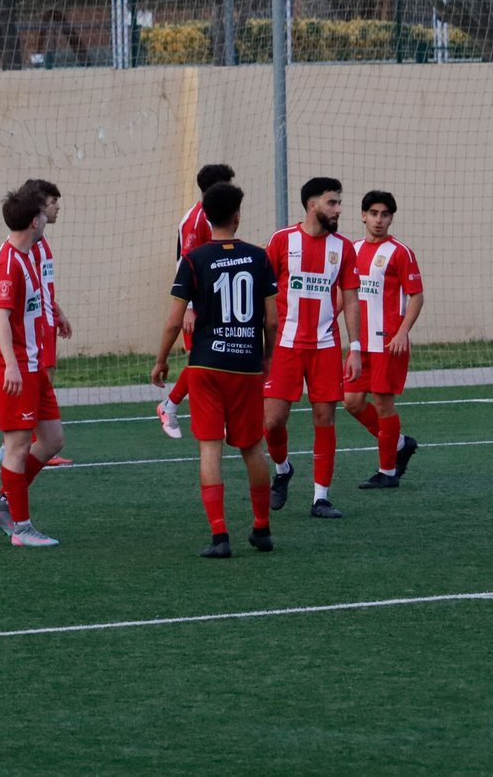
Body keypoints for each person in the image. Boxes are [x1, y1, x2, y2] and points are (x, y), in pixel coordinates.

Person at [152, 181, 280, 557]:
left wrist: (161, 360)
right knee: (252, 448)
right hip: (246, 365)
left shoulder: (194, 260)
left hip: (206, 365)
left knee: (210, 448)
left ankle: (220, 536)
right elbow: (272, 320)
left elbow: (174, 321)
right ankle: (261, 529)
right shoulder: (259, 257)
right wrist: (266, 356)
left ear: (206, 218)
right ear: (237, 216)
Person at [263, 176, 363, 519]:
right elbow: (263, 293)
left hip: (325, 346)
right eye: (332, 203)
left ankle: (321, 497)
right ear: (312, 205)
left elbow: (351, 299)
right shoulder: (281, 241)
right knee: (272, 421)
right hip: (284, 346)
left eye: (339, 203)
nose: (338, 209)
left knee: (324, 417)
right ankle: (283, 469)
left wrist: (355, 348)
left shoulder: (343, 248)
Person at [0, 185, 62, 548]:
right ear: (34, 222)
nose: (49, 216)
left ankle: (2, 502)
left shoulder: (27, 255)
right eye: (44, 212)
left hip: (32, 363)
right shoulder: (9, 263)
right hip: (13, 367)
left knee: (53, 440)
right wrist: (11, 364)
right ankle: (22, 529)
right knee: (17, 446)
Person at [342, 190, 423, 490]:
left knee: (382, 403)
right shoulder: (351, 250)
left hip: (387, 342)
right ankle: (400, 443)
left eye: (385, 215)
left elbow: (417, 296)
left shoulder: (400, 252)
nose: (379, 220)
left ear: (391, 219)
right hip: (359, 344)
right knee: (351, 402)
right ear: (363, 215)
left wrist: (402, 332)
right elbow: (346, 294)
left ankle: (387, 472)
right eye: (374, 213)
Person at [157, 164, 237, 439]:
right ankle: (170, 406)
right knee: (201, 361)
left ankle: (174, 406)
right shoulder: (195, 220)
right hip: (199, 305)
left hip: (217, 303)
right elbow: (186, 264)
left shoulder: (217, 216)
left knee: (215, 358)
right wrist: (189, 308)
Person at [24, 179, 73, 468]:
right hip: (37, 322)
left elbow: (43, 286)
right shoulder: (30, 244)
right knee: (40, 380)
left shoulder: (42, 243)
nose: (58, 208)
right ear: (41, 206)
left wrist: (58, 312)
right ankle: (34, 444)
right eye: (54, 202)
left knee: (45, 378)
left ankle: (32, 443)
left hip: (47, 318)